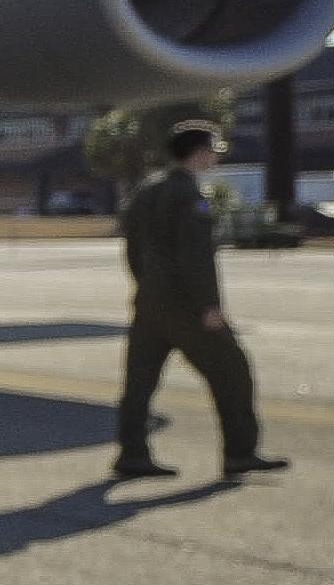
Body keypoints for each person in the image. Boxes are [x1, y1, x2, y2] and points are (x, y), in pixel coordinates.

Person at [112, 120, 289, 482]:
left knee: (139, 383)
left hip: (149, 301)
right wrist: (209, 305)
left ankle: (132, 452)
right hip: (186, 305)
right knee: (232, 370)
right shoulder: (187, 195)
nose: (216, 156)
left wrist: (147, 286)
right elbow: (195, 257)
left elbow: (131, 249)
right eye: (214, 149)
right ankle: (240, 452)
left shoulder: (146, 190)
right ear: (199, 152)